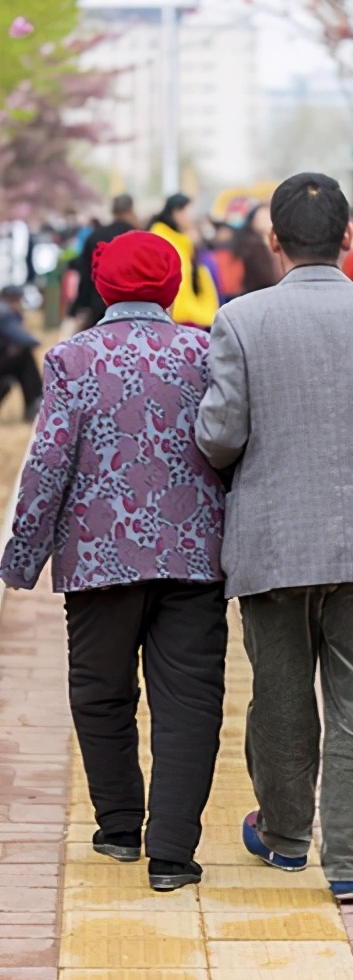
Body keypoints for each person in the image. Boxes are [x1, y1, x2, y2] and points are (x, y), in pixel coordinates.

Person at [195, 171, 353, 904]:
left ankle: (283, 838)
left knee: (278, 694)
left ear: (273, 241)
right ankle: (351, 862)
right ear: (349, 237)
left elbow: (220, 436)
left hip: (274, 539)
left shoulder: (241, 320)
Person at [0, 232, 228, 890]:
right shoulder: (204, 348)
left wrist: (23, 557)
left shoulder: (74, 357)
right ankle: (174, 854)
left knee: (102, 694)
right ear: (170, 284)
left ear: (102, 285)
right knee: (190, 701)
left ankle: (120, 827)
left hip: (100, 555)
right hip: (194, 553)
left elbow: (48, 462)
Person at [69, 195, 139, 330]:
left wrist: (78, 306)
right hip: (131, 308)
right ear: (131, 210)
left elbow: (86, 274)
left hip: (98, 305)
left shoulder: (96, 235)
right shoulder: (138, 235)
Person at [149, 194, 219, 328]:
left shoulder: (183, 241)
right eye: (190, 212)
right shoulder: (164, 240)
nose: (193, 218)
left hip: (188, 315)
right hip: (177, 318)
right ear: (176, 212)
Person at [0, 286, 42, 422]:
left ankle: (34, 404)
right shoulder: (5, 312)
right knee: (24, 356)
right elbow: (23, 339)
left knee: (20, 355)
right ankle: (35, 403)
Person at [233, 203, 283, 293]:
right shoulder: (247, 246)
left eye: (267, 217)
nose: (265, 221)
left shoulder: (283, 245)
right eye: (261, 217)